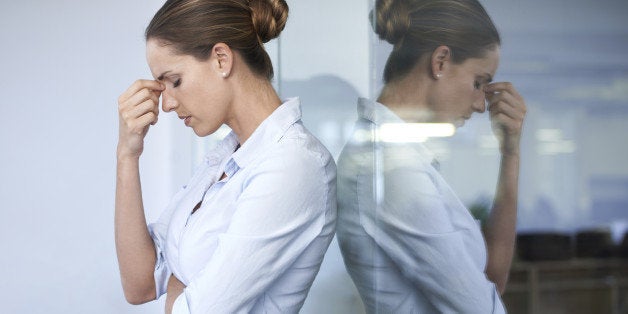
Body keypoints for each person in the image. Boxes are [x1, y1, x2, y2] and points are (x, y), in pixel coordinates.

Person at [114, 0, 337, 313]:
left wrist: (179, 283)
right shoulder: (229, 156)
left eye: (175, 81)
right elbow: (140, 284)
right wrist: (127, 155)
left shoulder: (292, 165)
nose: (166, 105)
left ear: (221, 59)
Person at [336, 0, 526, 312]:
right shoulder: (393, 169)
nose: (482, 104)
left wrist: (511, 152)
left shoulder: (400, 156)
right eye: (479, 82)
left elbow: (489, 281)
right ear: (440, 61)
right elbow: (482, 308)